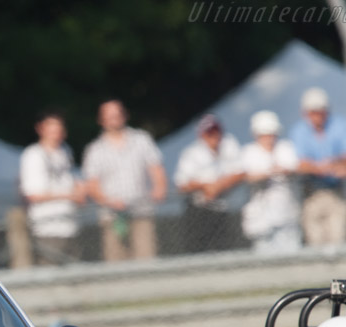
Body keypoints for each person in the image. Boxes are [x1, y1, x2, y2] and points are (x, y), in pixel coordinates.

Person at [82, 99, 167, 261]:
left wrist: (159, 187)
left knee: (146, 259)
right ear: (101, 120)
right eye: (109, 115)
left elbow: (156, 169)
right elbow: (92, 186)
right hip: (112, 217)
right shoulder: (95, 150)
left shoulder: (141, 139)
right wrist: (109, 201)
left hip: (141, 211)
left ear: (124, 115)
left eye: (117, 114)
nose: (114, 118)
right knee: (117, 264)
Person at [289, 87, 346, 246]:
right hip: (311, 193)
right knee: (315, 240)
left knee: (338, 238)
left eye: (321, 112)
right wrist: (326, 167)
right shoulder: (299, 131)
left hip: (336, 192)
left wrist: (326, 165)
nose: (318, 116)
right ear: (305, 113)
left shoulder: (339, 125)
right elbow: (300, 164)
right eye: (313, 112)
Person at [19, 111, 87, 264]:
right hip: (47, 228)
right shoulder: (33, 155)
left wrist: (80, 190)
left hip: (70, 225)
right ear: (40, 129)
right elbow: (32, 194)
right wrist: (69, 196)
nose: (56, 134)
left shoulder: (65, 151)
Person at [174, 113, 244, 252]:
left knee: (224, 249)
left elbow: (241, 171)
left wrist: (220, 185)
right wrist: (205, 186)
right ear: (202, 135)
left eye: (216, 132)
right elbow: (181, 184)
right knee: (198, 250)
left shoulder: (229, 144)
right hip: (199, 210)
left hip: (222, 208)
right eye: (209, 133)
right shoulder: (192, 153)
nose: (214, 137)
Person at [239, 110, 302, 254]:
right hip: (261, 221)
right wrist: (268, 173)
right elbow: (246, 176)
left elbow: (294, 167)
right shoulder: (249, 152)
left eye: (271, 134)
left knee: (291, 256)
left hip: (287, 216)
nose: (269, 138)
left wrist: (281, 170)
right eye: (265, 134)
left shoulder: (286, 148)